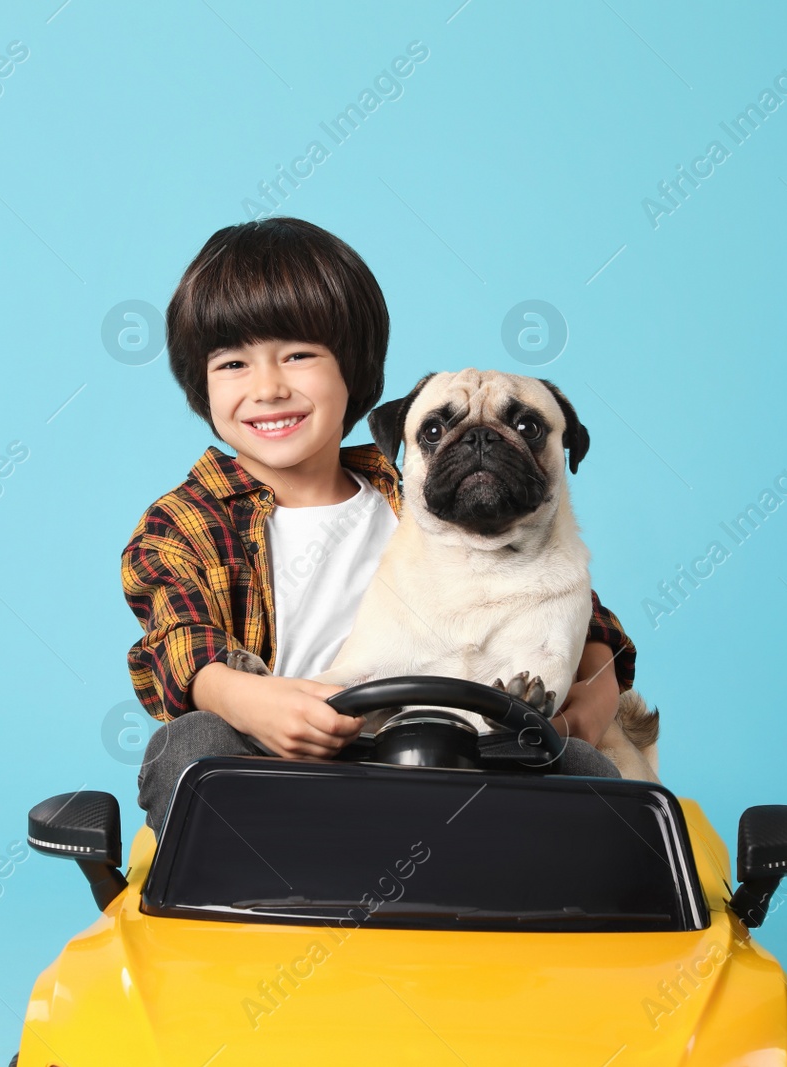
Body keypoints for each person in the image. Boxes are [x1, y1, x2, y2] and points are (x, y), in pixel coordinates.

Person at [123, 217, 637, 832]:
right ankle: (269, 895)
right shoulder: (188, 522)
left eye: (298, 355)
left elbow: (564, 595)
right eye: (232, 363)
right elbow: (178, 642)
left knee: (587, 769)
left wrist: (592, 702)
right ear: (199, 384)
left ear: (355, 369)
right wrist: (247, 701)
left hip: (463, 760)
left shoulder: (412, 497)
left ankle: (551, 906)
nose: (268, 387)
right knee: (191, 743)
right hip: (283, 770)